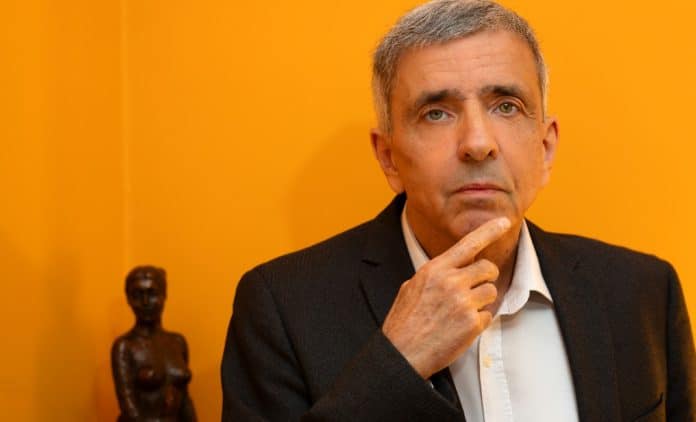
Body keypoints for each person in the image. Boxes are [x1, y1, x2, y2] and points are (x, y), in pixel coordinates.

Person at [220, 0, 695, 420]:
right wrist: (396, 365)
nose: (477, 143)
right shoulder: (282, 309)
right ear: (388, 157)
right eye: (436, 113)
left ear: (546, 148)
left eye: (506, 106)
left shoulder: (643, 293)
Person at [112, 266, 197, 421]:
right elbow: (129, 409)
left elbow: (185, 399)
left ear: (164, 295)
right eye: (137, 295)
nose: (145, 302)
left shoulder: (177, 342)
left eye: (152, 294)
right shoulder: (124, 346)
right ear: (128, 299)